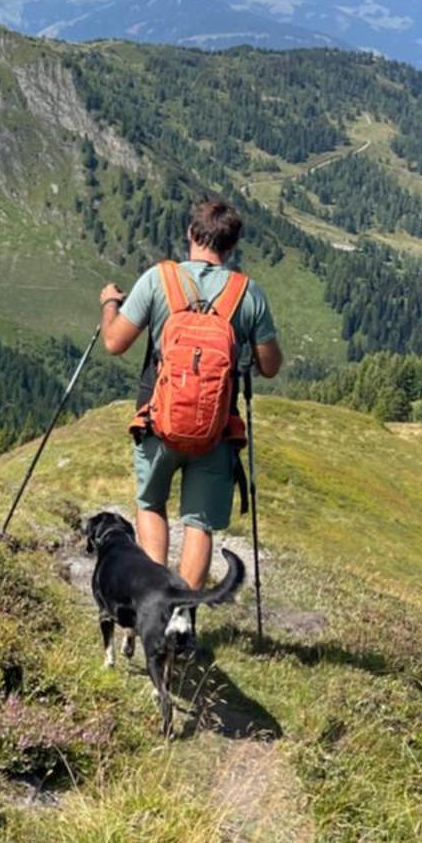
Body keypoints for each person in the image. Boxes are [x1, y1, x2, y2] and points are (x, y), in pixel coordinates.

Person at [98, 198, 282, 630]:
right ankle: (182, 616)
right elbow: (270, 366)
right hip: (215, 430)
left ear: (190, 234)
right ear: (232, 245)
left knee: (151, 504)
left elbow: (114, 343)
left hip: (157, 421)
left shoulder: (159, 280)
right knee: (198, 523)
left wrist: (110, 302)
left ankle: (150, 599)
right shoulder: (246, 293)